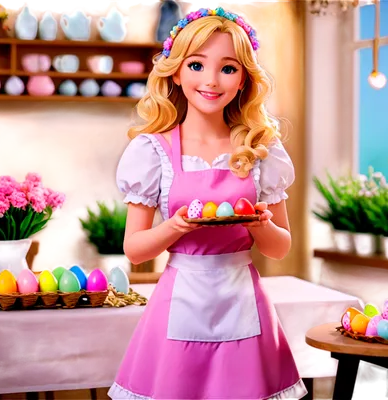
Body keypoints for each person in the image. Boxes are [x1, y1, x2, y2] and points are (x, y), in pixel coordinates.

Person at [108, 5, 307, 400]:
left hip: (244, 299)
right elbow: (134, 250)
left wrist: (259, 222)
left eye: (228, 69)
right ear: (176, 72)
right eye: (197, 65)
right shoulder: (153, 151)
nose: (212, 81)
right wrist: (175, 227)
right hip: (178, 299)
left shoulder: (261, 149)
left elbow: (280, 248)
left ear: (243, 80)